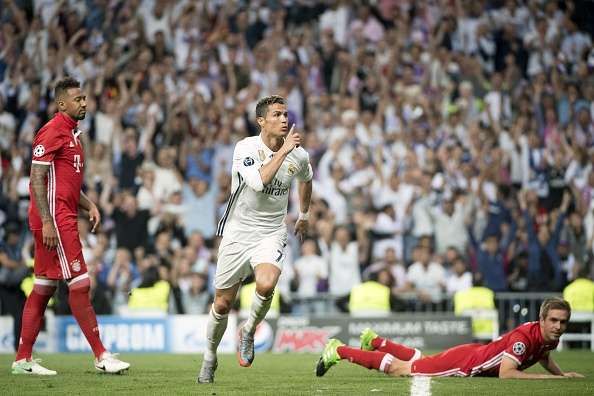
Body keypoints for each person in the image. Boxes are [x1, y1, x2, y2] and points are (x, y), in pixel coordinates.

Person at [11, 77, 130, 376]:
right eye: (78, 99)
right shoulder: (52, 131)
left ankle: (22, 359)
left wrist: (89, 205)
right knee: (80, 283)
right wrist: (49, 221)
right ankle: (101, 355)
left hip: (60, 214)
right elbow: (36, 178)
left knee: (44, 286)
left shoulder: (74, 135)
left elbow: (65, 185)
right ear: (61, 104)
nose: (85, 103)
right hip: (55, 219)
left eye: (85, 98)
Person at [198, 95, 313, 383]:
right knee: (222, 304)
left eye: (286, 114)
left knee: (266, 282)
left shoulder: (299, 155)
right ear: (261, 121)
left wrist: (305, 214)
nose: (284, 119)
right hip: (238, 231)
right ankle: (209, 358)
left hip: (271, 232)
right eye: (276, 115)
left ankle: (248, 331)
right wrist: (284, 152)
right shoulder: (245, 148)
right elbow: (259, 182)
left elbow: (306, 179)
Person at [316, 297, 584, 379]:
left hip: (472, 353)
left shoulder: (547, 336)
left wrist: (561, 374)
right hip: (466, 364)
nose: (559, 326)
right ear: (541, 320)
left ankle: (376, 342)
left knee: (423, 361)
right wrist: (554, 380)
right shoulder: (524, 337)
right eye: (554, 321)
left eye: (563, 322)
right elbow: (507, 373)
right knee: (402, 370)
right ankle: (339, 351)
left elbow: (543, 355)